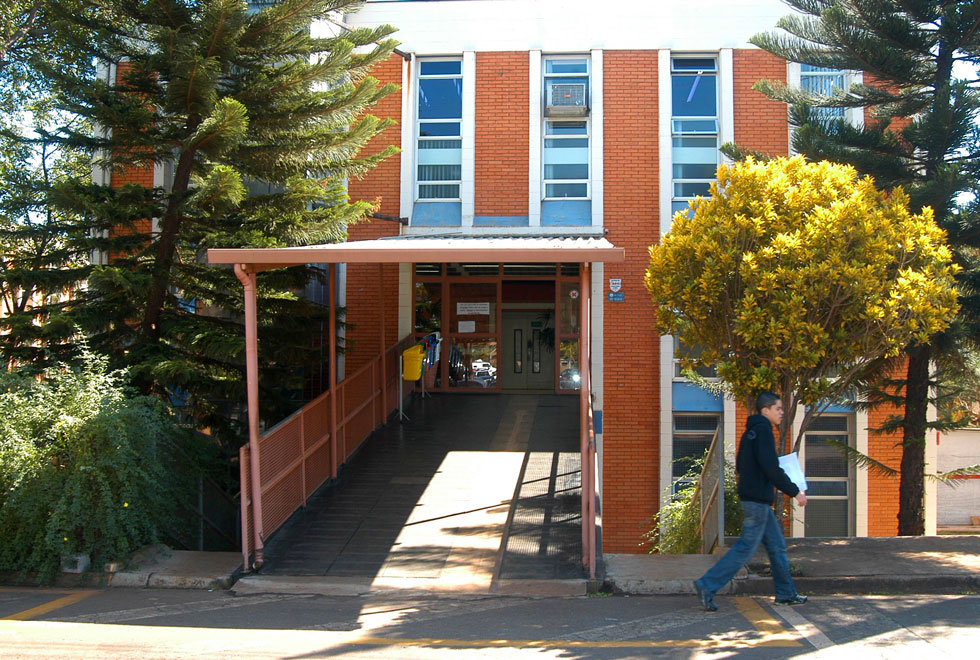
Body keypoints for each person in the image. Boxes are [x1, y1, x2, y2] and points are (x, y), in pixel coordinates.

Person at [693, 391, 808, 611]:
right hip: (757, 502)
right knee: (745, 548)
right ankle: (707, 585)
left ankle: (786, 593)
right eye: (778, 409)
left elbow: (740, 465)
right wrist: (795, 492)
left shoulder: (750, 433)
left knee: (777, 546)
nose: (782, 413)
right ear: (766, 411)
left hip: (756, 500)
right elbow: (771, 468)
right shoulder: (763, 431)